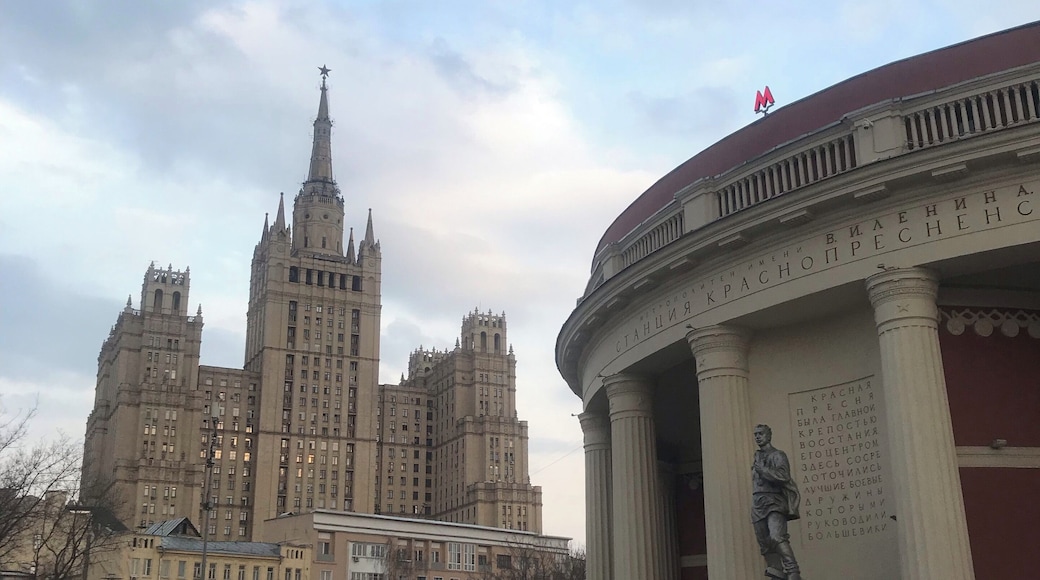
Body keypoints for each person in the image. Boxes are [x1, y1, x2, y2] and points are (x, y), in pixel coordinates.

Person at [752, 424, 803, 580]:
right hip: (758, 503)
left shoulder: (778, 455)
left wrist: (763, 470)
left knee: (776, 536)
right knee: (765, 543)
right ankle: (776, 570)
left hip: (774, 501)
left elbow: (783, 476)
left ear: (769, 435)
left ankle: (793, 570)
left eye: (760, 433)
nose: (757, 437)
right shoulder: (757, 457)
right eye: (755, 434)